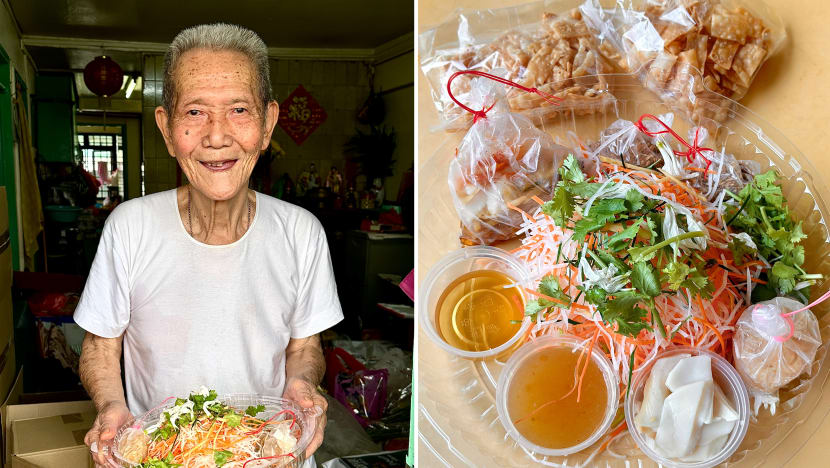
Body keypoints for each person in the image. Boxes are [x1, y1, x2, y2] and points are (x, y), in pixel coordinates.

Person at [74, 23, 343, 467]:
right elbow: (102, 345)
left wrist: (303, 385)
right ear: (167, 128)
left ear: (267, 123)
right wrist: (110, 405)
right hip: (165, 455)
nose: (217, 137)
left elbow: (303, 347)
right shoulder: (130, 227)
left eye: (239, 109)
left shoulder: (302, 231)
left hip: (269, 454)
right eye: (195, 112)